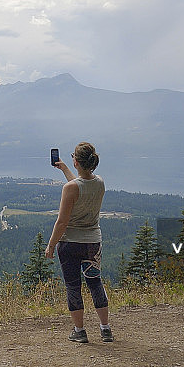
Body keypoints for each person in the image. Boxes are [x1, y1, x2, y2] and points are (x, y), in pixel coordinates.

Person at [45, 142, 112, 343]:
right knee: (95, 283)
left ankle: (80, 331)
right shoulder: (100, 182)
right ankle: (105, 328)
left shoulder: (70, 188)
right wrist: (65, 168)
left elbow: (62, 221)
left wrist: (50, 245)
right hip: (93, 243)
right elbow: (82, 186)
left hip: (69, 244)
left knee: (73, 286)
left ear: (76, 161)